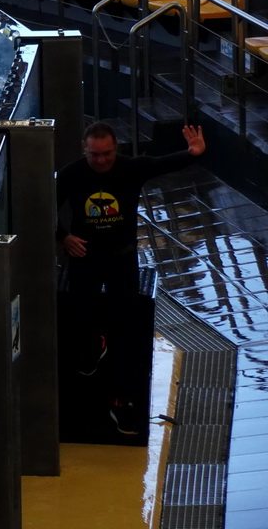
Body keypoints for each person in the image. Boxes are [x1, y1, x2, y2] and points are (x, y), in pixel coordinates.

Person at [56, 121, 206, 435]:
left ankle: (122, 401)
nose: (100, 160)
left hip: (121, 259)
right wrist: (63, 238)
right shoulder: (71, 174)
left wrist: (193, 153)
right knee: (80, 318)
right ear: (85, 150)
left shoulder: (130, 168)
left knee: (125, 329)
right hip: (84, 259)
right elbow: (44, 209)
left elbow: (164, 163)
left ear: (116, 149)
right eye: (94, 155)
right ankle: (93, 345)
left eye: (106, 154)